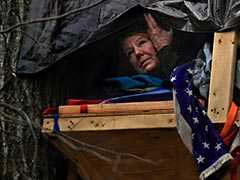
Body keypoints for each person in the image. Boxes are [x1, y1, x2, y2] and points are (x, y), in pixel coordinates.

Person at [118, 13, 209, 80]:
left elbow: (187, 80)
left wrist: (163, 48)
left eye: (142, 43)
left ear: (155, 41)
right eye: (130, 52)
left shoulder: (195, 65)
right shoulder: (127, 89)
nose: (137, 52)